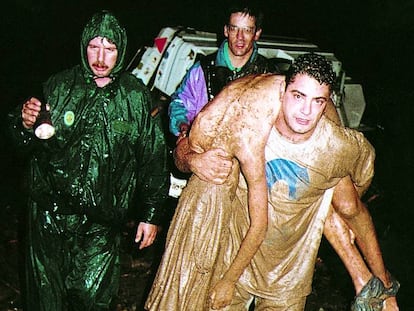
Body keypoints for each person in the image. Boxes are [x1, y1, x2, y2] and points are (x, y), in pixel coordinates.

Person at [167, 53, 399, 310]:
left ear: (327, 104)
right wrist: (192, 161)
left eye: (318, 101)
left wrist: (386, 288)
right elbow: (184, 150)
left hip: (287, 281)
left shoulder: (337, 147)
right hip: (234, 266)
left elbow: (355, 209)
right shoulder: (247, 126)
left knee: (342, 202)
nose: (306, 111)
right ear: (283, 91)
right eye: (298, 96)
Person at [7, 10, 169, 310]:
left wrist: (151, 214)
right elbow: (23, 144)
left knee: (92, 300)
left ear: (120, 51)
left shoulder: (134, 98)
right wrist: (23, 123)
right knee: (45, 300)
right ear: (84, 47)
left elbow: (153, 158)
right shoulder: (59, 85)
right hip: (48, 214)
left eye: (110, 48)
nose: (101, 57)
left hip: (102, 221)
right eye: (94, 46)